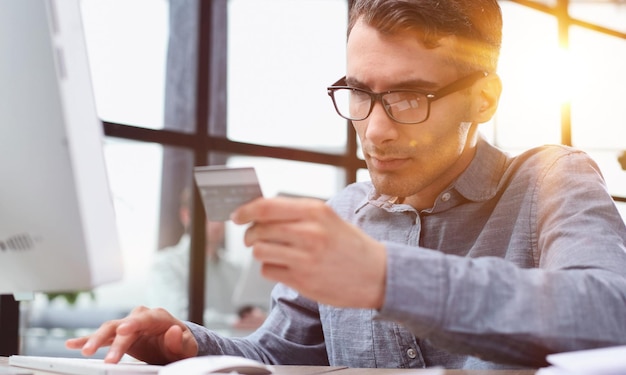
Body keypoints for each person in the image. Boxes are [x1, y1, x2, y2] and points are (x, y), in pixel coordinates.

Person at [66, 0, 626, 369]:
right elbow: (282, 351)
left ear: (485, 99)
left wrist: (385, 277)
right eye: (360, 93)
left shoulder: (551, 178)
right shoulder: (342, 212)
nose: (375, 130)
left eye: (411, 97)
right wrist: (192, 346)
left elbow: (611, 314)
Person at [147, 187, 267, 330]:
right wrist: (233, 322)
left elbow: (256, 306)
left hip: (237, 349)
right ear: (186, 216)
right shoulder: (165, 265)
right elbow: (175, 316)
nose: (216, 224)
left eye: (220, 215)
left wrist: (258, 315)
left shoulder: (236, 268)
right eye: (208, 215)